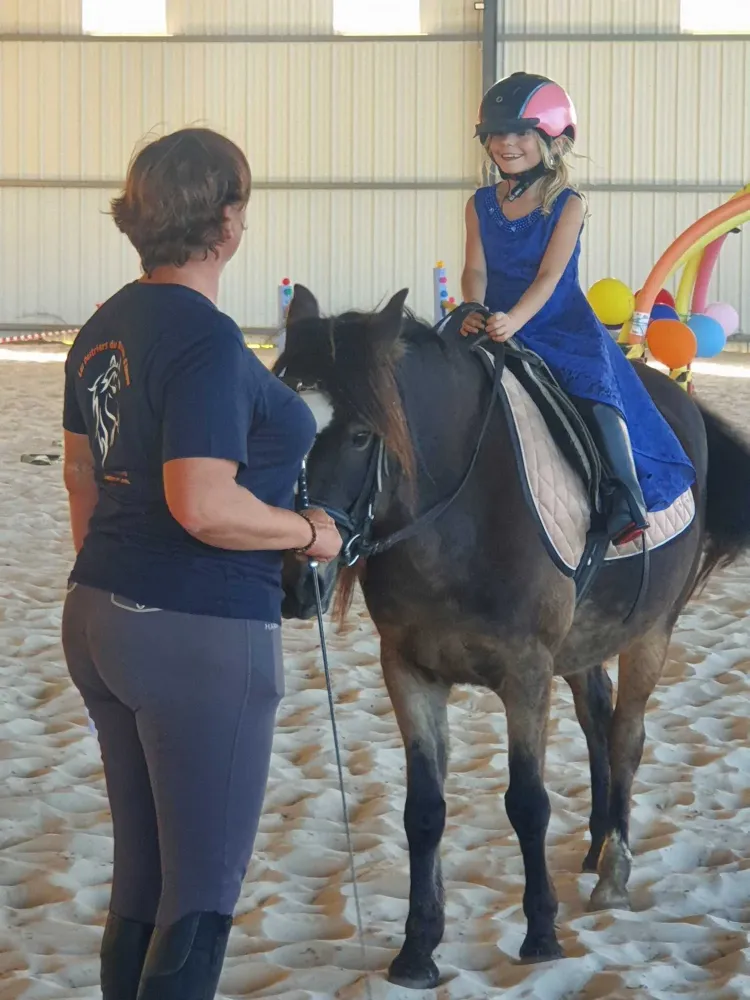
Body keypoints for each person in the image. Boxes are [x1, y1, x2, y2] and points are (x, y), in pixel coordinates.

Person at [61, 127, 342, 1000]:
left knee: (144, 882)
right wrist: (309, 533)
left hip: (102, 613)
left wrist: (126, 582)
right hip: (199, 631)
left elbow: (81, 475)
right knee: (203, 898)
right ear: (225, 219)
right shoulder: (206, 341)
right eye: (241, 204)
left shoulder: (103, 327)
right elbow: (205, 505)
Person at [460, 72, 695, 545]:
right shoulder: (480, 204)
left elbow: (549, 278)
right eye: (497, 135)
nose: (506, 144)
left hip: (557, 323)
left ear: (552, 139)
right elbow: (476, 269)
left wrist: (515, 320)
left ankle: (623, 495)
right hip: (495, 317)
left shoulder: (567, 204)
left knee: (593, 392)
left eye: (521, 133)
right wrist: (473, 306)